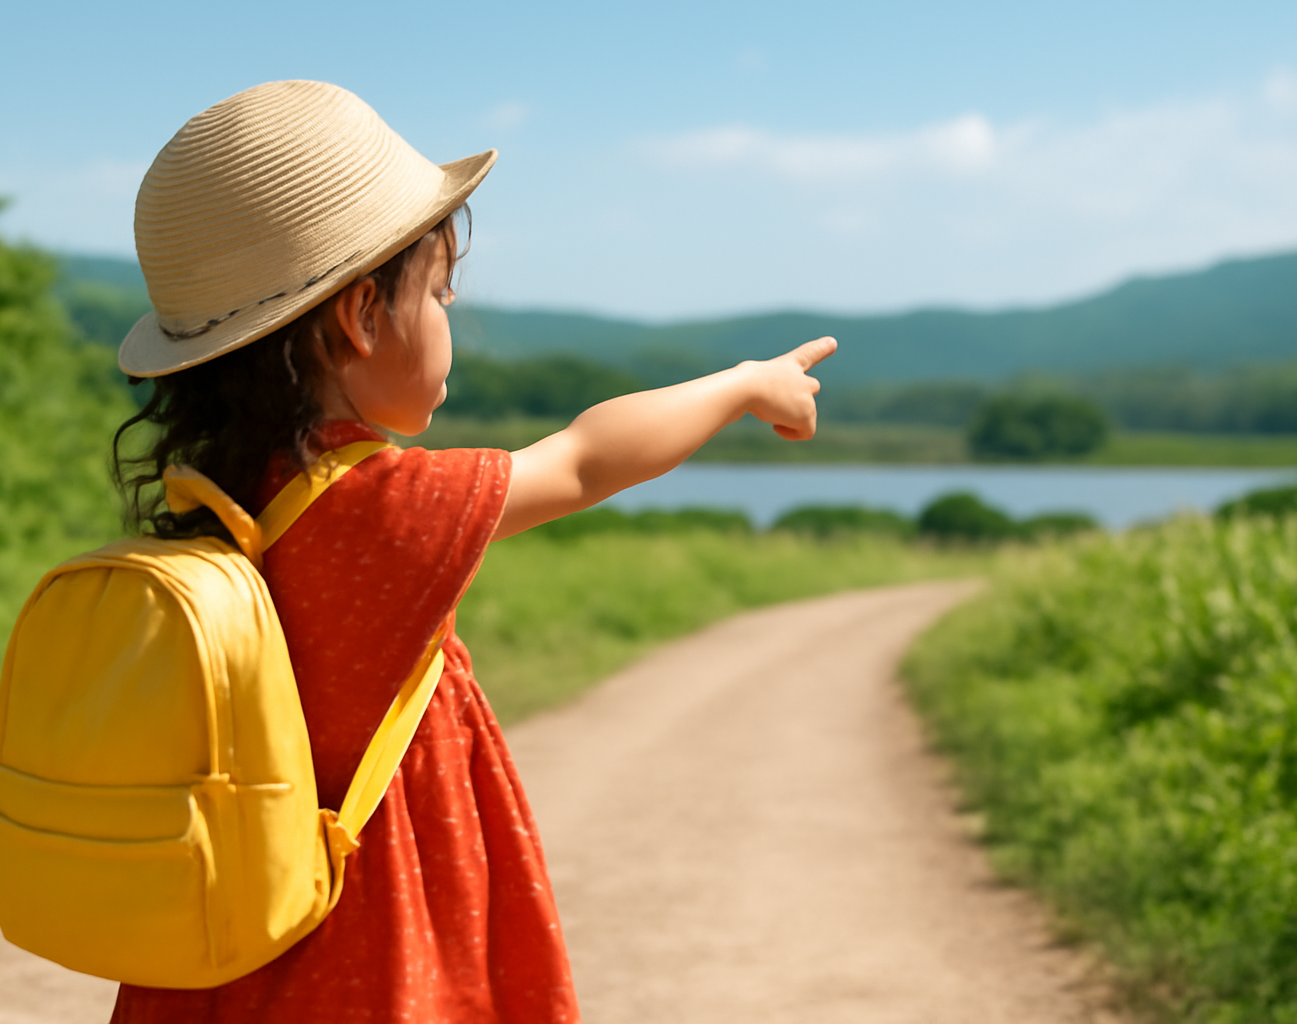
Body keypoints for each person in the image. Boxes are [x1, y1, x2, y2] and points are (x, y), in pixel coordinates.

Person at [107, 81, 834, 1024]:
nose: (451, 321)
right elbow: (582, 460)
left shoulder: (219, 498)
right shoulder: (377, 506)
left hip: (227, 936)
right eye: (440, 295)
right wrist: (744, 384)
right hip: (363, 939)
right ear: (360, 316)